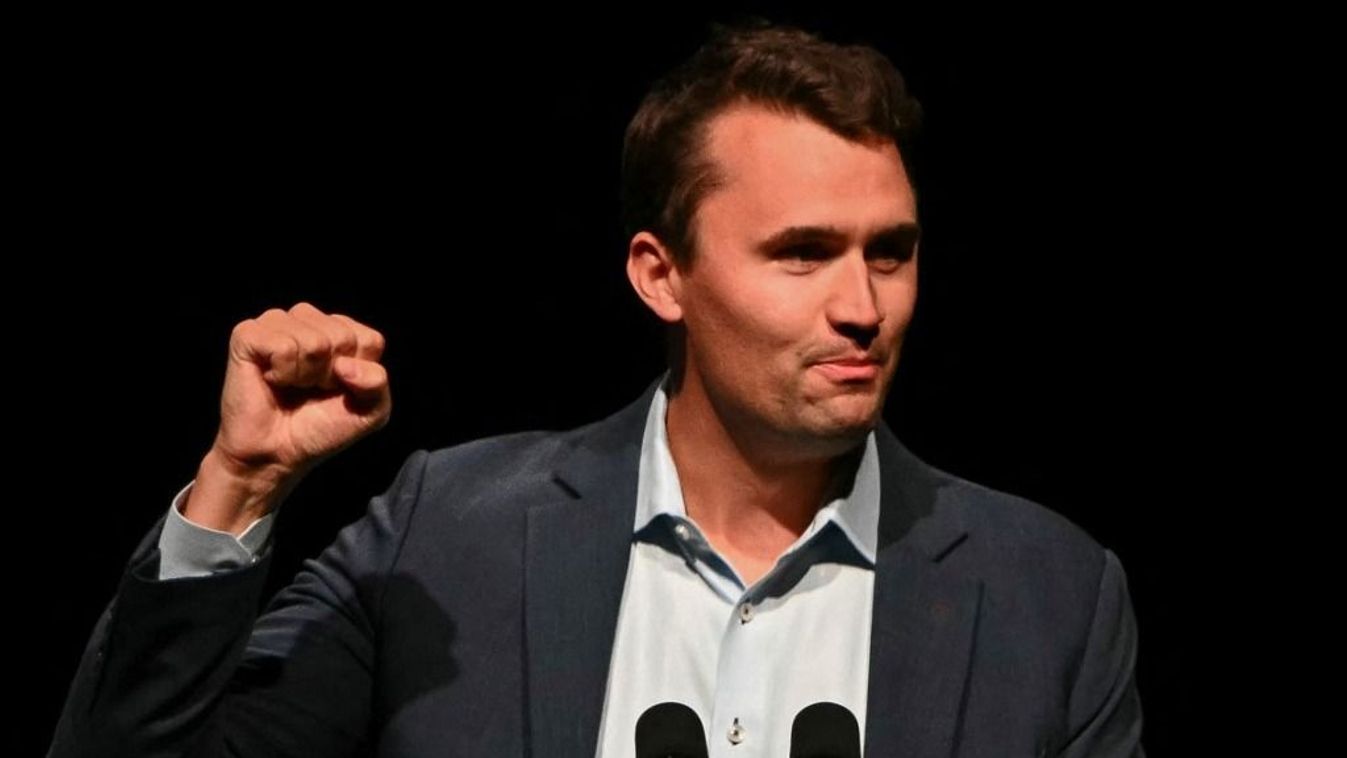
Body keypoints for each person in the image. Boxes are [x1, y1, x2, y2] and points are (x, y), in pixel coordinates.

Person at [49, 19, 1144, 758]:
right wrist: (239, 485)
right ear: (660, 276)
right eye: (802, 253)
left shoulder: (1048, 594)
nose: (863, 306)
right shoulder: (449, 536)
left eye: (890, 253)